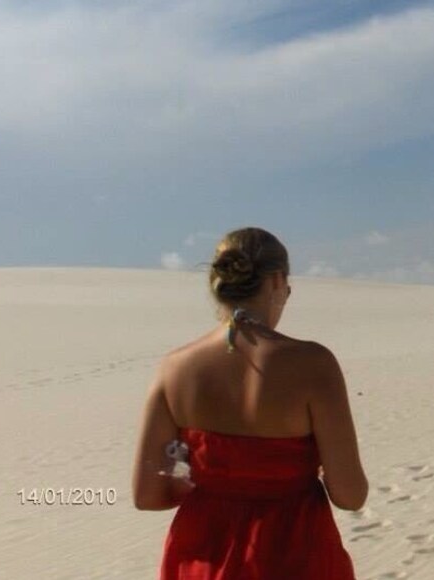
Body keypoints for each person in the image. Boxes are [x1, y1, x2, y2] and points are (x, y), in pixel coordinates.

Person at [132, 227, 368, 579]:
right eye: (287, 288)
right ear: (276, 281)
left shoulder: (174, 368)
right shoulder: (312, 364)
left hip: (204, 554)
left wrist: (206, 478)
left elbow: (147, 495)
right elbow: (350, 495)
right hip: (294, 552)